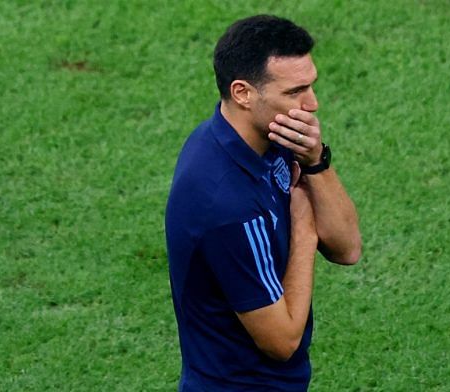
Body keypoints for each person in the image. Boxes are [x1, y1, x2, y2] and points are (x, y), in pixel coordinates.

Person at [165, 14, 361, 391]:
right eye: (294, 92)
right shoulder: (224, 204)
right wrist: (304, 232)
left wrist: (316, 161)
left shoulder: (268, 135)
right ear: (243, 93)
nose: (312, 103)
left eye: (311, 86)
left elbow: (347, 248)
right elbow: (282, 342)